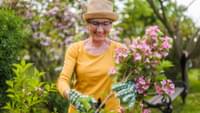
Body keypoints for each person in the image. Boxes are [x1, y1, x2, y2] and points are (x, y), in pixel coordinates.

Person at [57, 0, 136, 112]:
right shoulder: (75, 49)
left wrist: (131, 90)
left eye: (105, 23)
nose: (100, 30)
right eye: (95, 23)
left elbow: (131, 77)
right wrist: (71, 95)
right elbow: (63, 80)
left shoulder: (120, 50)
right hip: (81, 110)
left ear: (111, 24)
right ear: (88, 24)